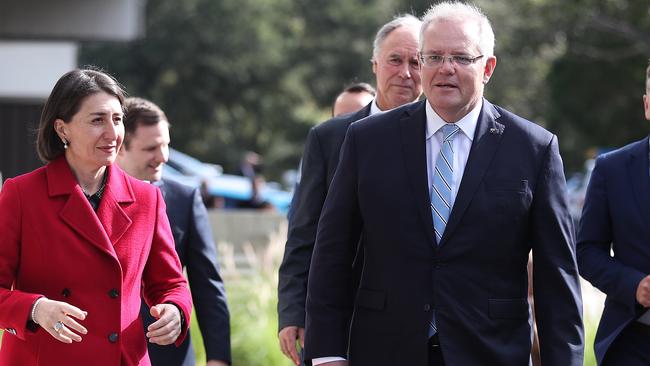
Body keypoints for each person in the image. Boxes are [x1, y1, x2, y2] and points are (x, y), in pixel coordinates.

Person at [304, 3, 584, 366]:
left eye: (461, 57)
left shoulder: (533, 149)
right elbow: (332, 254)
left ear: (488, 68)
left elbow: (556, 277)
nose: (445, 68)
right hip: (383, 350)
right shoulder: (366, 141)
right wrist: (326, 354)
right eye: (433, 56)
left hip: (490, 351)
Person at [0, 68, 192, 365]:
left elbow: (170, 283)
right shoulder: (21, 194)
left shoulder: (147, 198)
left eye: (117, 119)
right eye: (97, 120)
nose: (113, 133)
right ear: (63, 129)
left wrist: (175, 310)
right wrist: (36, 309)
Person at [278, 14, 423, 366]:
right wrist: (293, 310)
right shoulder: (328, 138)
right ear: (374, 65)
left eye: (417, 61)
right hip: (341, 310)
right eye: (395, 60)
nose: (406, 72)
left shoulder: (441, 141)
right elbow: (304, 230)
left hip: (417, 317)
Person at [116, 97, 231, 366]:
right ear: (120, 147)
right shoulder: (87, 197)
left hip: (169, 353)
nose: (163, 157)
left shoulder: (184, 198)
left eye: (166, 145)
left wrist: (218, 357)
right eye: (151, 148)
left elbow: (208, 284)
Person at [577, 61, 650, 365]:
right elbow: (587, 252)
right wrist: (635, 286)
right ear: (647, 105)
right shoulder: (612, 169)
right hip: (633, 343)